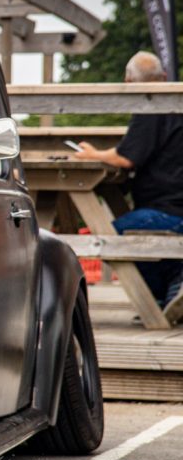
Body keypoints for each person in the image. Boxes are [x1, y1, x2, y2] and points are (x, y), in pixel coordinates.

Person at [73, 51, 183, 320]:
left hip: (169, 211)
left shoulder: (152, 105)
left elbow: (126, 157)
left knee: (111, 235)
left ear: (129, 81)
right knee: (130, 230)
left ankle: (161, 293)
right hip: (173, 207)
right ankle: (170, 287)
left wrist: (92, 155)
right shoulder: (174, 105)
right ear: (164, 77)